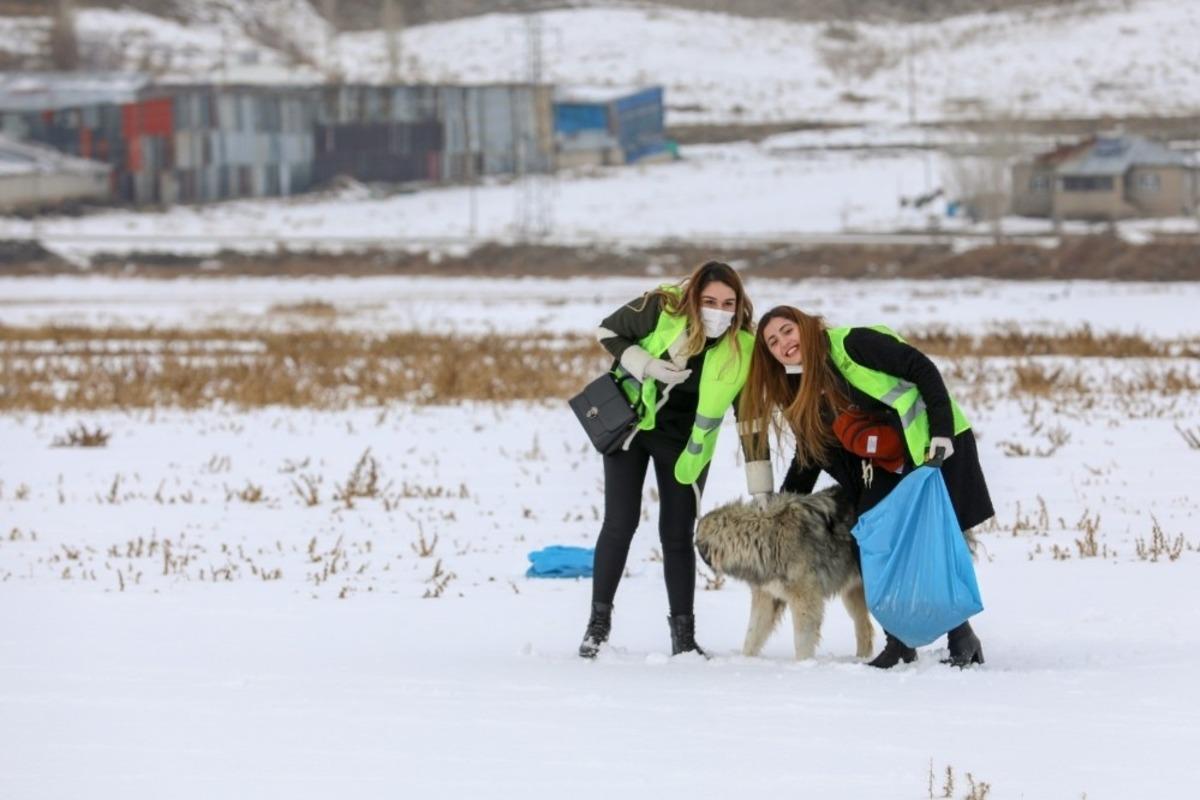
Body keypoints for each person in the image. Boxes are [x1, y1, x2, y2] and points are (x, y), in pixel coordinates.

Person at [736, 305, 994, 668]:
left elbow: (921, 368)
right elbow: (809, 455)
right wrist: (781, 507)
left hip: (929, 447)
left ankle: (961, 638)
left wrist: (941, 431)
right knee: (870, 545)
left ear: (805, 327)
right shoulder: (798, 385)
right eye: (773, 342)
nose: (784, 344)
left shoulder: (852, 344)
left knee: (933, 543)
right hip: (884, 463)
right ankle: (899, 642)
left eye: (787, 331)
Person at [578, 261, 770, 659]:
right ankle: (598, 624)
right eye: (710, 301)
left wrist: (761, 486)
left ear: (739, 306)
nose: (718, 311)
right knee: (620, 523)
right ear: (694, 297)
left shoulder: (743, 349)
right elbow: (607, 332)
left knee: (678, 534)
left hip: (686, 443)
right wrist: (647, 365)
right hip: (632, 426)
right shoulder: (661, 307)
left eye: (728, 304)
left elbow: (750, 418)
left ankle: (683, 636)